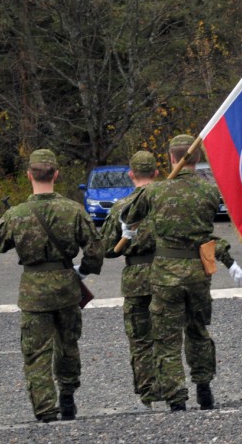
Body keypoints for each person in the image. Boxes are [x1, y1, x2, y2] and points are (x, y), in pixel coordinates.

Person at [124, 135, 242, 412]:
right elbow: (207, 231)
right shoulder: (209, 192)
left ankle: (176, 397)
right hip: (198, 272)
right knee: (198, 331)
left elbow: (130, 216)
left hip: (166, 273)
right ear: (197, 158)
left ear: (171, 159)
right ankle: (204, 387)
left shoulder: (154, 192)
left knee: (166, 339)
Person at [0, 149, 104, 423]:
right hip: (66, 288)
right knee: (68, 345)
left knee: (36, 352)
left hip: (34, 292)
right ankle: (67, 396)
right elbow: (96, 248)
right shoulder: (73, 209)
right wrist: (84, 270)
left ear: (29, 175)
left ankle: (45, 410)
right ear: (56, 174)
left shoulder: (17, 213)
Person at [100, 151, 160, 408]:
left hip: (136, 277)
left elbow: (105, 248)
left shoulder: (121, 207)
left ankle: (149, 391)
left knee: (140, 338)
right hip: (166, 272)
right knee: (168, 336)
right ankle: (172, 387)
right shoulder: (166, 202)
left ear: (131, 174)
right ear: (156, 173)